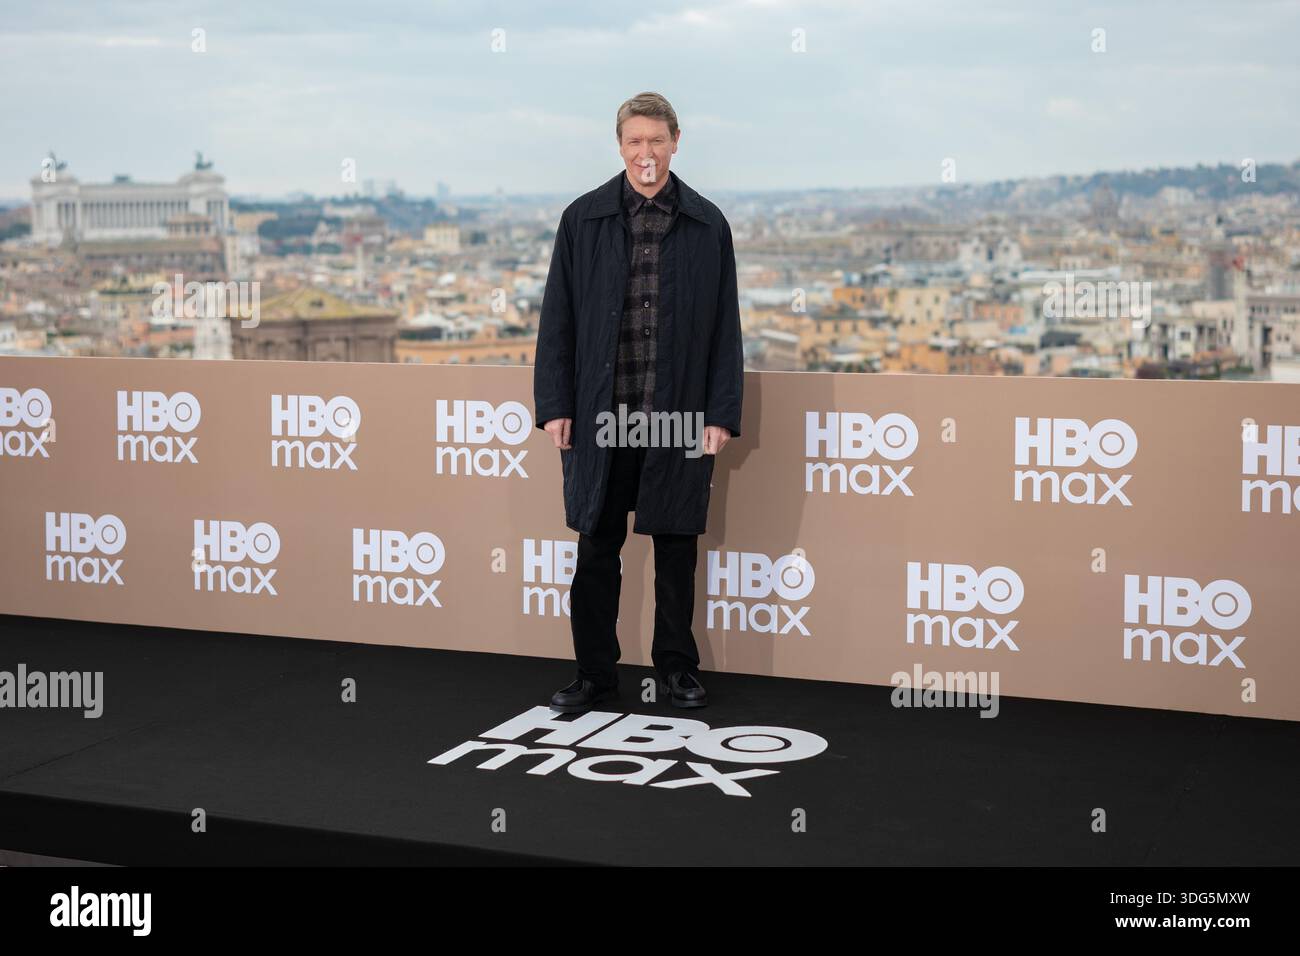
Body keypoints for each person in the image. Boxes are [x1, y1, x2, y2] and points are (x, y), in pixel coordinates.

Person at [533, 91, 743, 712]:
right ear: (619, 146)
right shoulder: (584, 219)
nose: (645, 153)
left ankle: (677, 670)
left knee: (676, 546)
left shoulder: (709, 225)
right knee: (598, 546)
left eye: (656, 140)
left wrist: (722, 414)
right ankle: (595, 674)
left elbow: (725, 329)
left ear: (676, 142)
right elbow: (558, 319)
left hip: (677, 413)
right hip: (602, 411)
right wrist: (554, 405)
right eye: (634, 141)